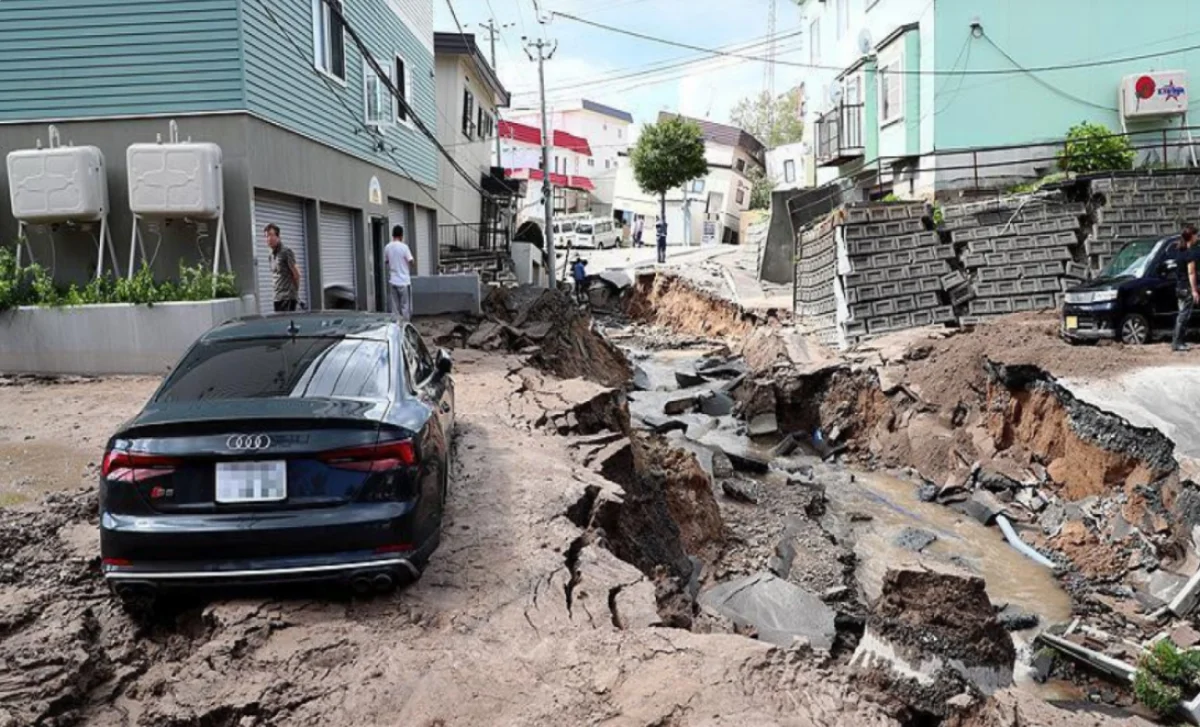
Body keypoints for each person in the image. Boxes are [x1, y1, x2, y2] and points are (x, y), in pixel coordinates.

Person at [1173, 223, 1200, 352]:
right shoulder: (1190, 253)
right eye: (1196, 235)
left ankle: (1178, 341)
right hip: (1186, 288)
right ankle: (1177, 342)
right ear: (1191, 237)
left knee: (1181, 314)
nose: (1197, 237)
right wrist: (1194, 290)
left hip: (1179, 287)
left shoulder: (1179, 251)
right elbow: (1191, 272)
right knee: (1184, 316)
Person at [265, 223, 301, 313]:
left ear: (278, 237)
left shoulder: (286, 252)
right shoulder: (270, 255)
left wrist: (294, 293)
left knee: (287, 325)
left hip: (288, 297)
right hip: (277, 297)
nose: (268, 239)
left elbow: (297, 274)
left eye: (271, 235)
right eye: (266, 236)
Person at [385, 225, 416, 322]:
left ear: (393, 235)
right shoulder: (404, 247)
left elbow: (386, 261)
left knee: (395, 309)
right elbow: (411, 262)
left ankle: (396, 328)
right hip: (404, 282)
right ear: (401, 235)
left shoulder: (387, 247)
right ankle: (405, 328)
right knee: (405, 307)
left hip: (393, 281)